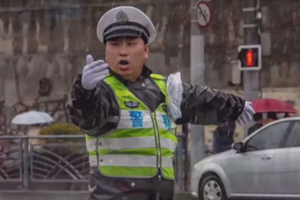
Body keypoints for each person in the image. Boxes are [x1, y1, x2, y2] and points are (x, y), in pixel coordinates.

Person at [70, 6, 255, 200]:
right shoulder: (102, 91)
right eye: (115, 45)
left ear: (146, 50)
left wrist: (235, 106)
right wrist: (84, 92)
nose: (122, 52)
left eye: (131, 44)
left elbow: (200, 99)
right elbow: (88, 115)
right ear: (106, 52)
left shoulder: (165, 88)